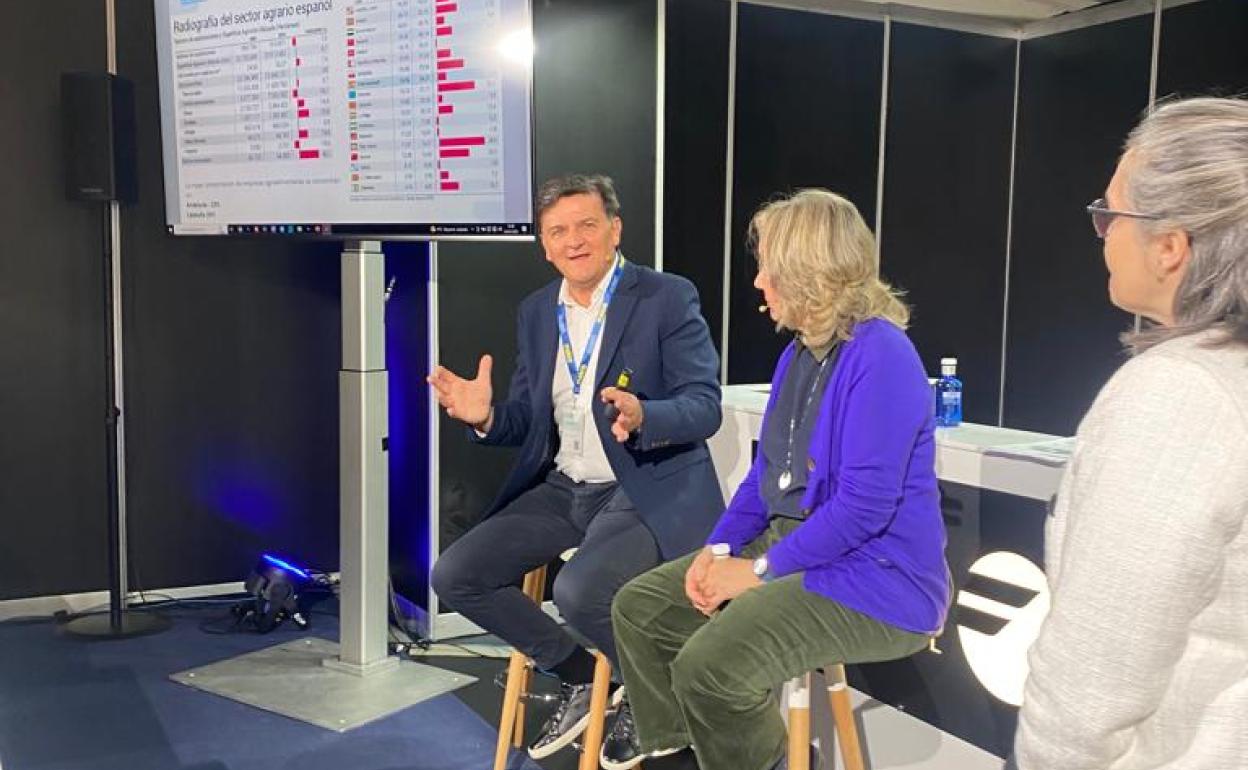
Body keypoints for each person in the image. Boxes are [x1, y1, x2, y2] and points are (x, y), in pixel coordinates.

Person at [604, 189, 951, 770]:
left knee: (710, 668)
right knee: (640, 610)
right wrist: (718, 548)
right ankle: (687, 756)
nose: (759, 282)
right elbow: (765, 477)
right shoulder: (798, 354)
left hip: (877, 573)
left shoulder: (882, 354)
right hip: (797, 545)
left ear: (807, 272)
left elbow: (863, 510)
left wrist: (756, 572)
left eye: (769, 268)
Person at [427, 173, 725, 760]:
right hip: (566, 487)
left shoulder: (665, 297)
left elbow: (704, 406)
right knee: (455, 575)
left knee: (580, 591)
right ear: (544, 245)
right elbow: (528, 420)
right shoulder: (538, 311)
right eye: (558, 231)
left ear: (615, 229)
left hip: (640, 485)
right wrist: (485, 417)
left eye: (587, 225)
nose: (574, 241)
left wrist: (646, 415)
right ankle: (585, 676)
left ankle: (656, 696)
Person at [1012, 97, 1248, 770]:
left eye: (1110, 213)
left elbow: (1091, 682)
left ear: (1170, 247)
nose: (1103, 233)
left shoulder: (1181, 396)